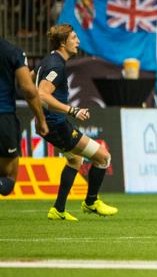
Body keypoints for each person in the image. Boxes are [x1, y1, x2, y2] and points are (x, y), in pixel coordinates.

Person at [35, 24, 117, 219]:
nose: (78, 41)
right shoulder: (56, 65)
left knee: (75, 160)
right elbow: (42, 94)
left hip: (48, 125)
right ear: (63, 42)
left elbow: (31, 78)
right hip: (57, 127)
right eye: (74, 38)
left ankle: (58, 209)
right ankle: (91, 202)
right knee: (103, 157)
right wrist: (72, 110)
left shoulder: (49, 59)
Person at [0, 35, 47, 198]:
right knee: (8, 176)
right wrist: (41, 119)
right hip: (3, 116)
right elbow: (29, 89)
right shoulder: (12, 52)